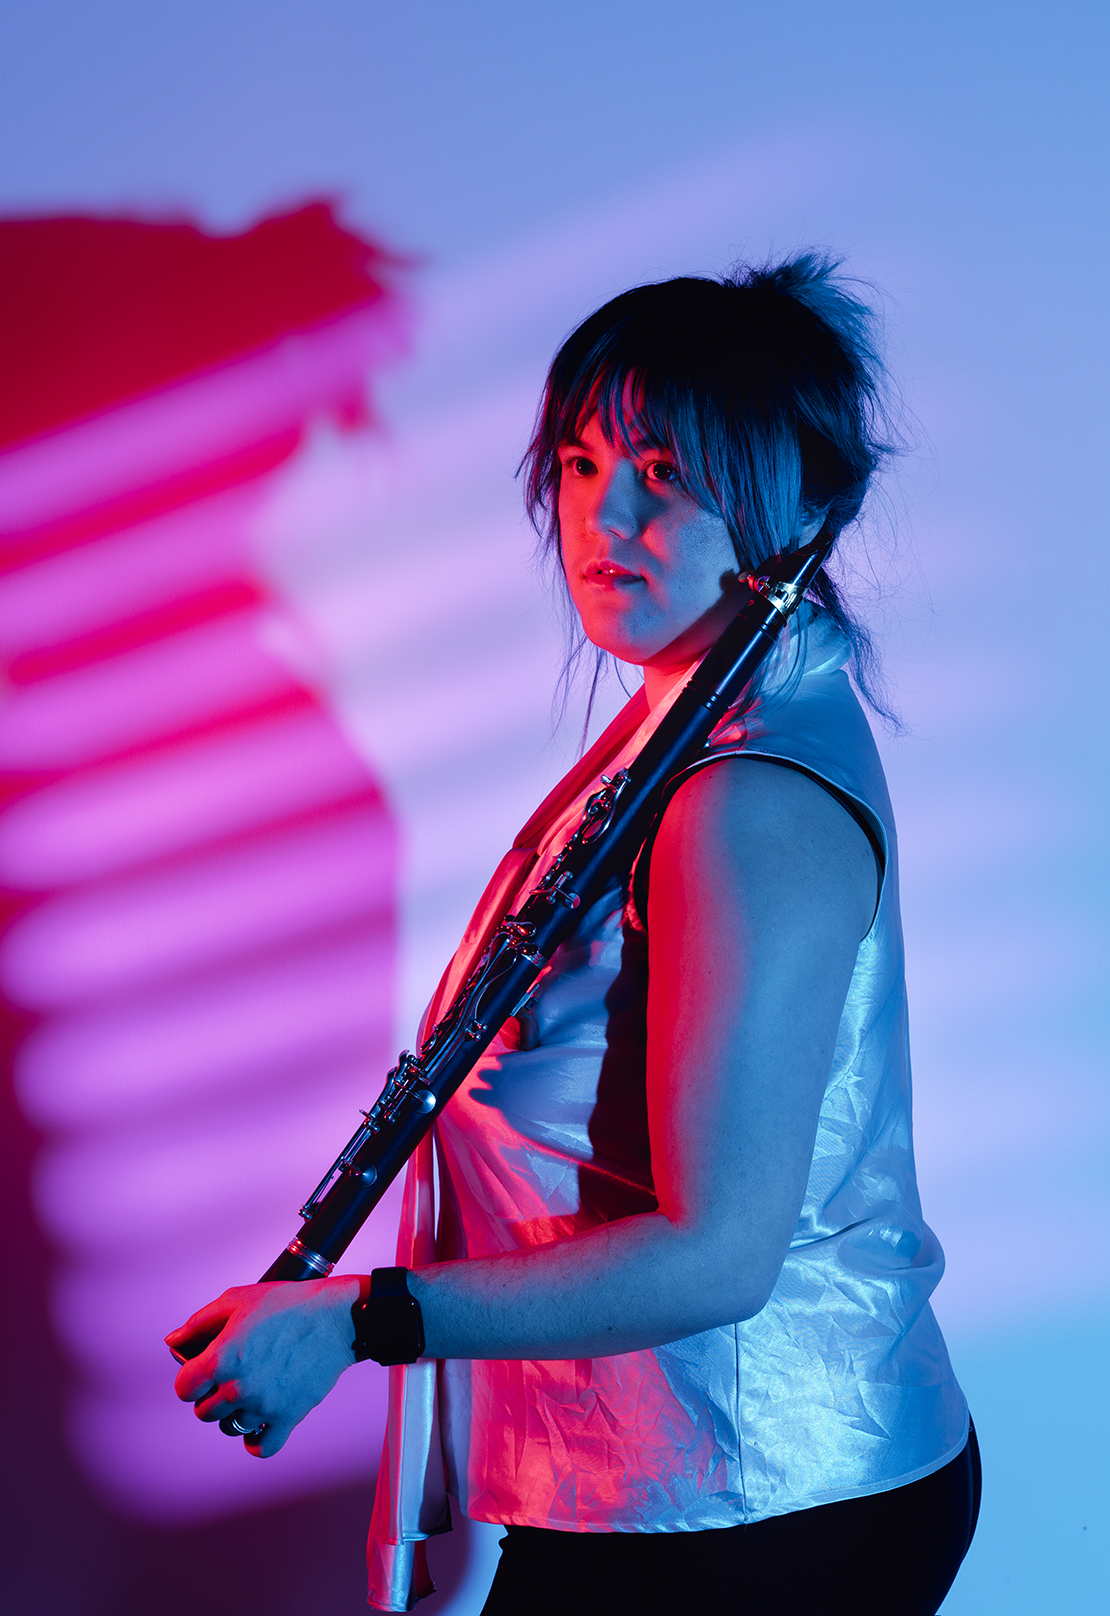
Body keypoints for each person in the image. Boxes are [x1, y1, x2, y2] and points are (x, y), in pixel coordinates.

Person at [168, 256, 979, 1615]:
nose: (605, 515)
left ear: (798, 499)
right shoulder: (687, 706)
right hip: (661, 1479)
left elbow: (718, 1255)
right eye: (583, 460)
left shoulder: (745, 800)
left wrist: (362, 1320)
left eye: (663, 471)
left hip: (761, 1504)